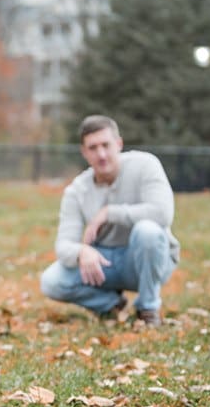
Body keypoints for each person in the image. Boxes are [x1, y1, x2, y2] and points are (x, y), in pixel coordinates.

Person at [40, 114, 181, 326]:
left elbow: (162, 213)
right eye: (93, 148)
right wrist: (82, 252)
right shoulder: (77, 191)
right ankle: (112, 305)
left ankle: (148, 309)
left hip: (151, 258)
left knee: (147, 231)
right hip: (105, 263)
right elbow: (63, 245)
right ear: (84, 152)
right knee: (51, 281)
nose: (101, 154)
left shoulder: (146, 165)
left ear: (119, 144)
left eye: (106, 145)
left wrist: (110, 212)